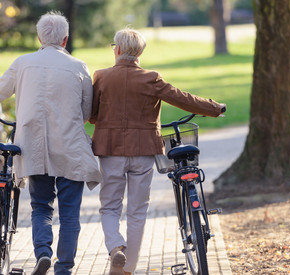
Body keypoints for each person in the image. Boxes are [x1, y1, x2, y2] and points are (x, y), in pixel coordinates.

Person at [89, 27, 226, 275]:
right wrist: (215, 108)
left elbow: (92, 114)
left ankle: (114, 246)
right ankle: (127, 268)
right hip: (143, 151)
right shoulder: (151, 78)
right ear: (139, 52)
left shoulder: (101, 77)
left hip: (110, 150)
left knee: (110, 207)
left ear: (117, 50)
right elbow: (183, 98)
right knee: (137, 211)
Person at [0, 11, 102, 275]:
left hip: (33, 147)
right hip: (70, 146)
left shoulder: (22, 63)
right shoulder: (79, 67)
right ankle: (64, 268)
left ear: (39, 37)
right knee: (70, 213)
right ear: (65, 40)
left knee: (41, 206)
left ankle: (43, 253)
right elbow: (87, 111)